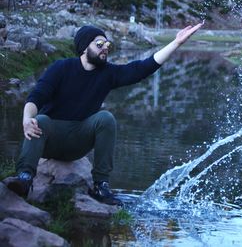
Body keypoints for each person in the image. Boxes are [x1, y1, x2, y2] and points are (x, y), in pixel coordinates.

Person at [6, 22, 203, 205]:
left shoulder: (108, 73)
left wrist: (176, 42)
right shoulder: (61, 68)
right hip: (50, 139)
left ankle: (101, 186)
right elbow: (36, 97)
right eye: (99, 43)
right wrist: (26, 118)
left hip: (77, 142)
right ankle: (25, 178)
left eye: (107, 44)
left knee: (105, 118)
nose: (105, 48)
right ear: (84, 47)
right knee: (39, 119)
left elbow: (142, 68)